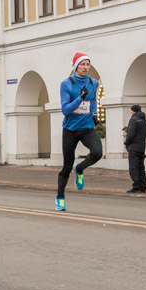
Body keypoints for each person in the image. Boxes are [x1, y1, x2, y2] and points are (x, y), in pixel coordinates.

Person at [55, 52, 102, 211]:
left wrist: (95, 115)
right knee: (67, 166)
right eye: (82, 64)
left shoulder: (93, 83)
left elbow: (94, 101)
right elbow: (65, 110)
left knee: (97, 152)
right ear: (76, 66)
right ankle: (60, 197)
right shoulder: (66, 84)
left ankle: (80, 168)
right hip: (70, 129)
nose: (85, 67)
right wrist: (79, 98)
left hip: (87, 127)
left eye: (88, 64)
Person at [123, 104, 146, 194]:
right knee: (141, 167)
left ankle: (136, 185)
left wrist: (126, 143)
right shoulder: (143, 120)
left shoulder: (133, 120)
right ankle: (143, 186)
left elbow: (131, 134)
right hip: (141, 147)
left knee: (134, 167)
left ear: (133, 111)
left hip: (133, 147)